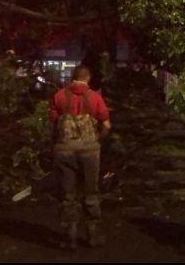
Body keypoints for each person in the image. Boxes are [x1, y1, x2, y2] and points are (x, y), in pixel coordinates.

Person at [49, 64, 111, 250]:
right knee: (90, 192)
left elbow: (52, 125)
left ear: (71, 77)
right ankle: (92, 236)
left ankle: (70, 239)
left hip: (64, 150)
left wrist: (57, 144)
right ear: (88, 78)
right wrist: (96, 141)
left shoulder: (59, 96)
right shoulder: (95, 97)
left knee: (68, 195)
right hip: (89, 152)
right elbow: (107, 125)